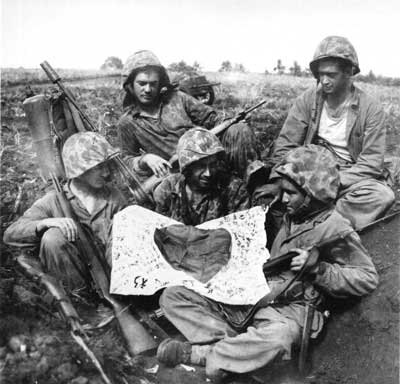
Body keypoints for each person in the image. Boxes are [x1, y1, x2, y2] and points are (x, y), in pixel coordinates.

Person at [155, 145, 378, 382]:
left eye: (291, 193)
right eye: (283, 191)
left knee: (278, 338)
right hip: (256, 293)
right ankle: (235, 349)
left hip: (290, 309)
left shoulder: (334, 228)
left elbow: (367, 277)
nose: (283, 198)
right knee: (173, 295)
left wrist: (319, 270)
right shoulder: (293, 215)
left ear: (312, 193)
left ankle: (209, 354)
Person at [257, 36, 395, 230]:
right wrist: (294, 177)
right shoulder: (307, 100)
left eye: (331, 74)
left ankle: (320, 228)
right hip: (308, 168)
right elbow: (286, 146)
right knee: (266, 195)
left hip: (347, 174)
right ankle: (319, 223)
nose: (324, 81)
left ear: (349, 72)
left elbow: (371, 164)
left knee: (381, 195)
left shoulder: (371, 108)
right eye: (321, 74)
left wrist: (329, 181)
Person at [3, 132, 127, 290]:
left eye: (106, 165)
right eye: (98, 167)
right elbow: (10, 234)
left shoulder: (113, 196)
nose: (106, 173)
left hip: (116, 277)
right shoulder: (54, 200)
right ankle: (82, 303)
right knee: (52, 237)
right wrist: (45, 223)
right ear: (78, 169)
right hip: (75, 282)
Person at [117, 50, 259, 182]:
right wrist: (145, 159)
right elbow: (126, 160)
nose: (147, 90)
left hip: (209, 157)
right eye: (142, 84)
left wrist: (233, 121)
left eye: (153, 84)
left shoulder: (178, 98)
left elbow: (212, 119)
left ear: (160, 83)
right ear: (130, 85)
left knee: (239, 129)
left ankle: (256, 185)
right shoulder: (128, 122)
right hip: (179, 172)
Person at [153, 127, 250, 225]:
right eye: (200, 166)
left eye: (213, 164)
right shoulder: (167, 190)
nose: (208, 173)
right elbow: (160, 232)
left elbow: (241, 231)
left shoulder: (233, 188)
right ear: (188, 167)